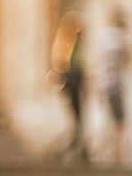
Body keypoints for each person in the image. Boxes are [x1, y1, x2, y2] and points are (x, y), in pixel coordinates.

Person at [50, 10, 87, 162]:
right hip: (70, 81)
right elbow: (61, 63)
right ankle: (75, 147)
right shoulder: (65, 41)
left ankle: (80, 147)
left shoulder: (76, 42)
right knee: (75, 117)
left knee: (78, 117)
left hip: (76, 81)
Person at [95, 8, 131, 163]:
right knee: (119, 122)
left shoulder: (104, 39)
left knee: (112, 121)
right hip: (113, 86)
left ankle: (109, 152)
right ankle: (111, 152)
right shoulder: (116, 40)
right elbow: (123, 60)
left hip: (105, 85)